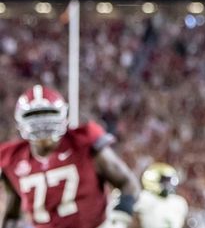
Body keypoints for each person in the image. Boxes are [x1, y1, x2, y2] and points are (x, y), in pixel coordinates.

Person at [0, 85, 141, 228]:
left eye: (47, 114)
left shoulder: (84, 143)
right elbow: (12, 214)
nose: (42, 124)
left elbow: (128, 183)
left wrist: (118, 220)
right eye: (34, 116)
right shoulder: (12, 159)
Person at [131, 162, 188, 228]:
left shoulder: (179, 202)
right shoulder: (144, 197)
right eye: (164, 181)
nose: (168, 185)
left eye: (169, 181)